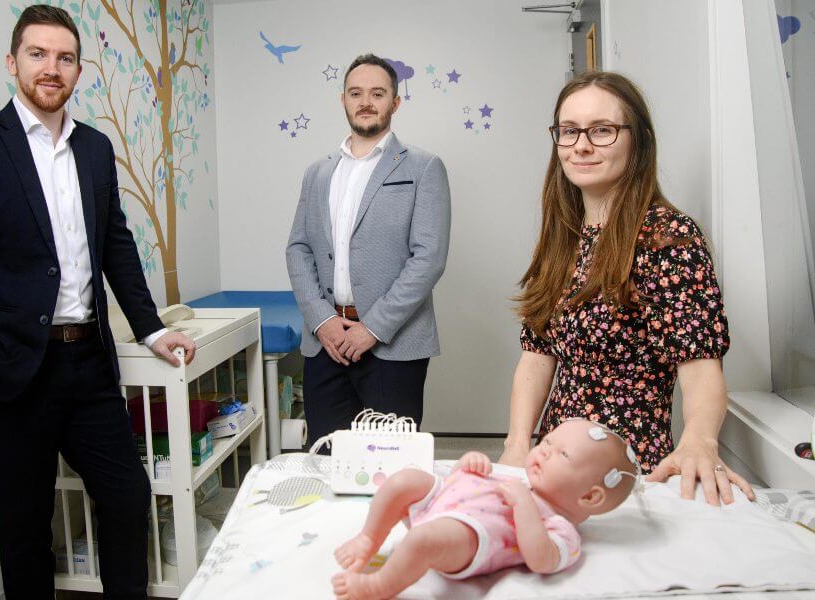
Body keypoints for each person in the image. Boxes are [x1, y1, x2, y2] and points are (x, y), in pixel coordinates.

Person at [0, 5, 195, 598]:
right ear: (12, 62)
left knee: (127, 498)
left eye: (65, 57)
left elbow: (116, 245)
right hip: (12, 373)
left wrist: (150, 330)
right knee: (24, 526)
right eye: (38, 54)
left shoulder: (95, 148)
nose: (52, 68)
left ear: (78, 70)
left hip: (88, 365)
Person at [497, 71, 755, 506]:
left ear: (639, 141)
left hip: (623, 473)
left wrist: (700, 440)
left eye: (602, 130)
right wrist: (517, 443)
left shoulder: (667, 237)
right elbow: (537, 354)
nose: (581, 145)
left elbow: (700, 368)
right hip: (554, 460)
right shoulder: (566, 234)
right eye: (569, 131)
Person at [285, 54, 451, 446]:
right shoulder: (318, 172)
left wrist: (372, 328)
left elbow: (428, 259)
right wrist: (322, 320)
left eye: (378, 93)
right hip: (326, 341)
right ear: (342, 99)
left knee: (388, 465)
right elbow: (298, 248)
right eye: (356, 93)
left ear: (395, 102)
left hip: (393, 345)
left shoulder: (424, 168)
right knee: (325, 459)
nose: (366, 102)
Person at [331, 419, 638, 600]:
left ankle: (377, 586)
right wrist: (469, 465)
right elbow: (468, 485)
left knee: (421, 540)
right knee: (402, 481)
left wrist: (523, 505)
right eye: (546, 440)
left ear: (589, 497)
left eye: (562, 453)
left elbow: (542, 560)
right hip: (442, 504)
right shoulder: (521, 483)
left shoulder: (561, 528)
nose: (544, 449)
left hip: (466, 540)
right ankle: (368, 538)